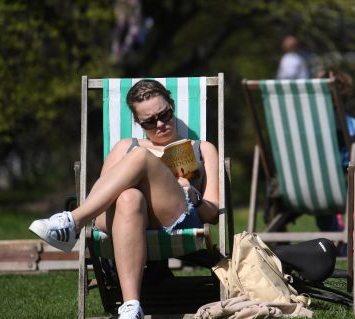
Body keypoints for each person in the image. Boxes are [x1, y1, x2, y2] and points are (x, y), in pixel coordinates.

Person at [29, 79, 219, 319]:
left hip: (176, 215)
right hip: (126, 217)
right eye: (150, 121)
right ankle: (131, 307)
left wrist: (193, 195)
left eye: (165, 115)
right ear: (139, 123)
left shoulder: (203, 149)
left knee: (141, 157)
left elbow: (213, 214)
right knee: (129, 197)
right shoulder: (124, 147)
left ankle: (72, 223)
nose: (160, 124)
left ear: (172, 106)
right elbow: (100, 203)